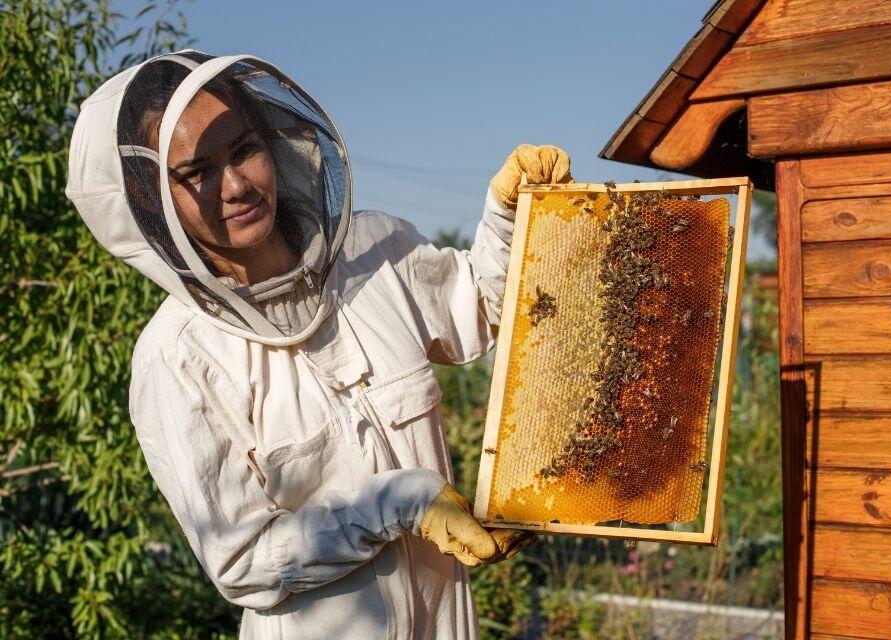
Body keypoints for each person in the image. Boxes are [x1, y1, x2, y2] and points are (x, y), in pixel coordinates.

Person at [65, 50, 573, 639]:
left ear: (272, 141)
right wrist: (398, 504)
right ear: (151, 196)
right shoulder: (178, 357)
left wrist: (510, 218)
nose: (236, 186)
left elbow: (484, 307)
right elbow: (242, 561)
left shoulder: (374, 251)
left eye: (243, 150)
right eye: (197, 172)